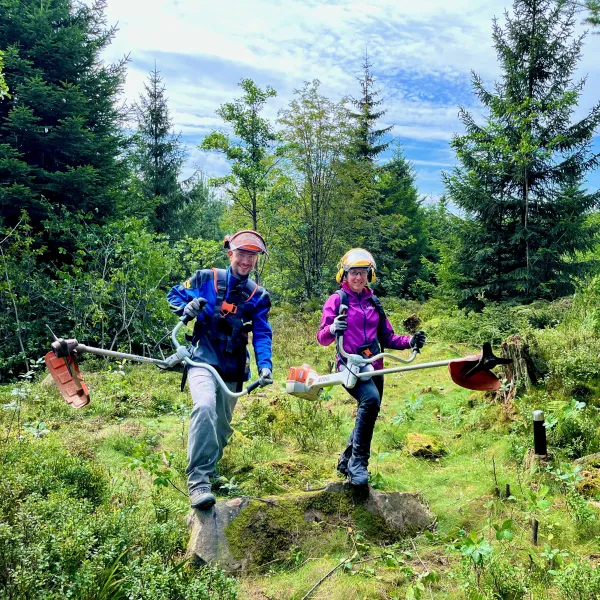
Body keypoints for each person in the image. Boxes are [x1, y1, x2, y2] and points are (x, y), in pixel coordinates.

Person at [167, 230, 274, 509]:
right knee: (204, 407)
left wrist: (265, 366)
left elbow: (262, 334)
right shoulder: (205, 278)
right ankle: (198, 481)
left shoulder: (258, 296)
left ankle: (211, 467)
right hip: (202, 357)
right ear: (230, 254)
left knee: (222, 427)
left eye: (252, 256)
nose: (246, 260)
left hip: (234, 366)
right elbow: (175, 294)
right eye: (242, 254)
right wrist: (185, 308)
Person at [317, 249, 426, 487]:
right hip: (351, 365)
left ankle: (346, 460)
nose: (358, 277)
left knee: (370, 410)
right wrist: (334, 328)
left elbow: (387, 337)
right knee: (370, 401)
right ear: (344, 275)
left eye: (363, 273)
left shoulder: (373, 301)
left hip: (375, 364)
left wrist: (410, 341)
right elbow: (322, 338)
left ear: (370, 275)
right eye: (353, 273)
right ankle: (358, 465)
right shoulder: (337, 300)